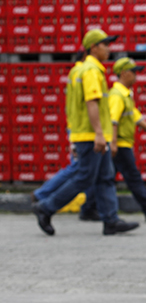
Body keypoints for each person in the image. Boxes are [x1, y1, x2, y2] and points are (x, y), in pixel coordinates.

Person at [32, 29, 140, 236]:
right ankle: (46, 207)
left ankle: (111, 220)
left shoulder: (79, 69)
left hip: (89, 133)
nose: (109, 49)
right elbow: (92, 103)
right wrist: (99, 133)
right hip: (92, 135)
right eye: (105, 44)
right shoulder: (91, 71)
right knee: (85, 177)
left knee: (104, 177)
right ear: (94, 47)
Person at [79, 57, 146, 222]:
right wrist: (113, 144)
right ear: (124, 73)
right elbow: (113, 121)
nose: (136, 76)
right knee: (132, 176)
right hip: (119, 144)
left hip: (121, 143)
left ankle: (88, 208)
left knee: (104, 177)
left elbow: (135, 116)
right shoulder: (117, 95)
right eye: (134, 72)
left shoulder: (125, 95)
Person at [31, 51, 97, 218]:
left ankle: (90, 207)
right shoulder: (84, 73)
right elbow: (83, 106)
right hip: (81, 130)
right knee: (79, 169)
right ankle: (43, 198)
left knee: (91, 171)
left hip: (78, 129)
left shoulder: (76, 73)